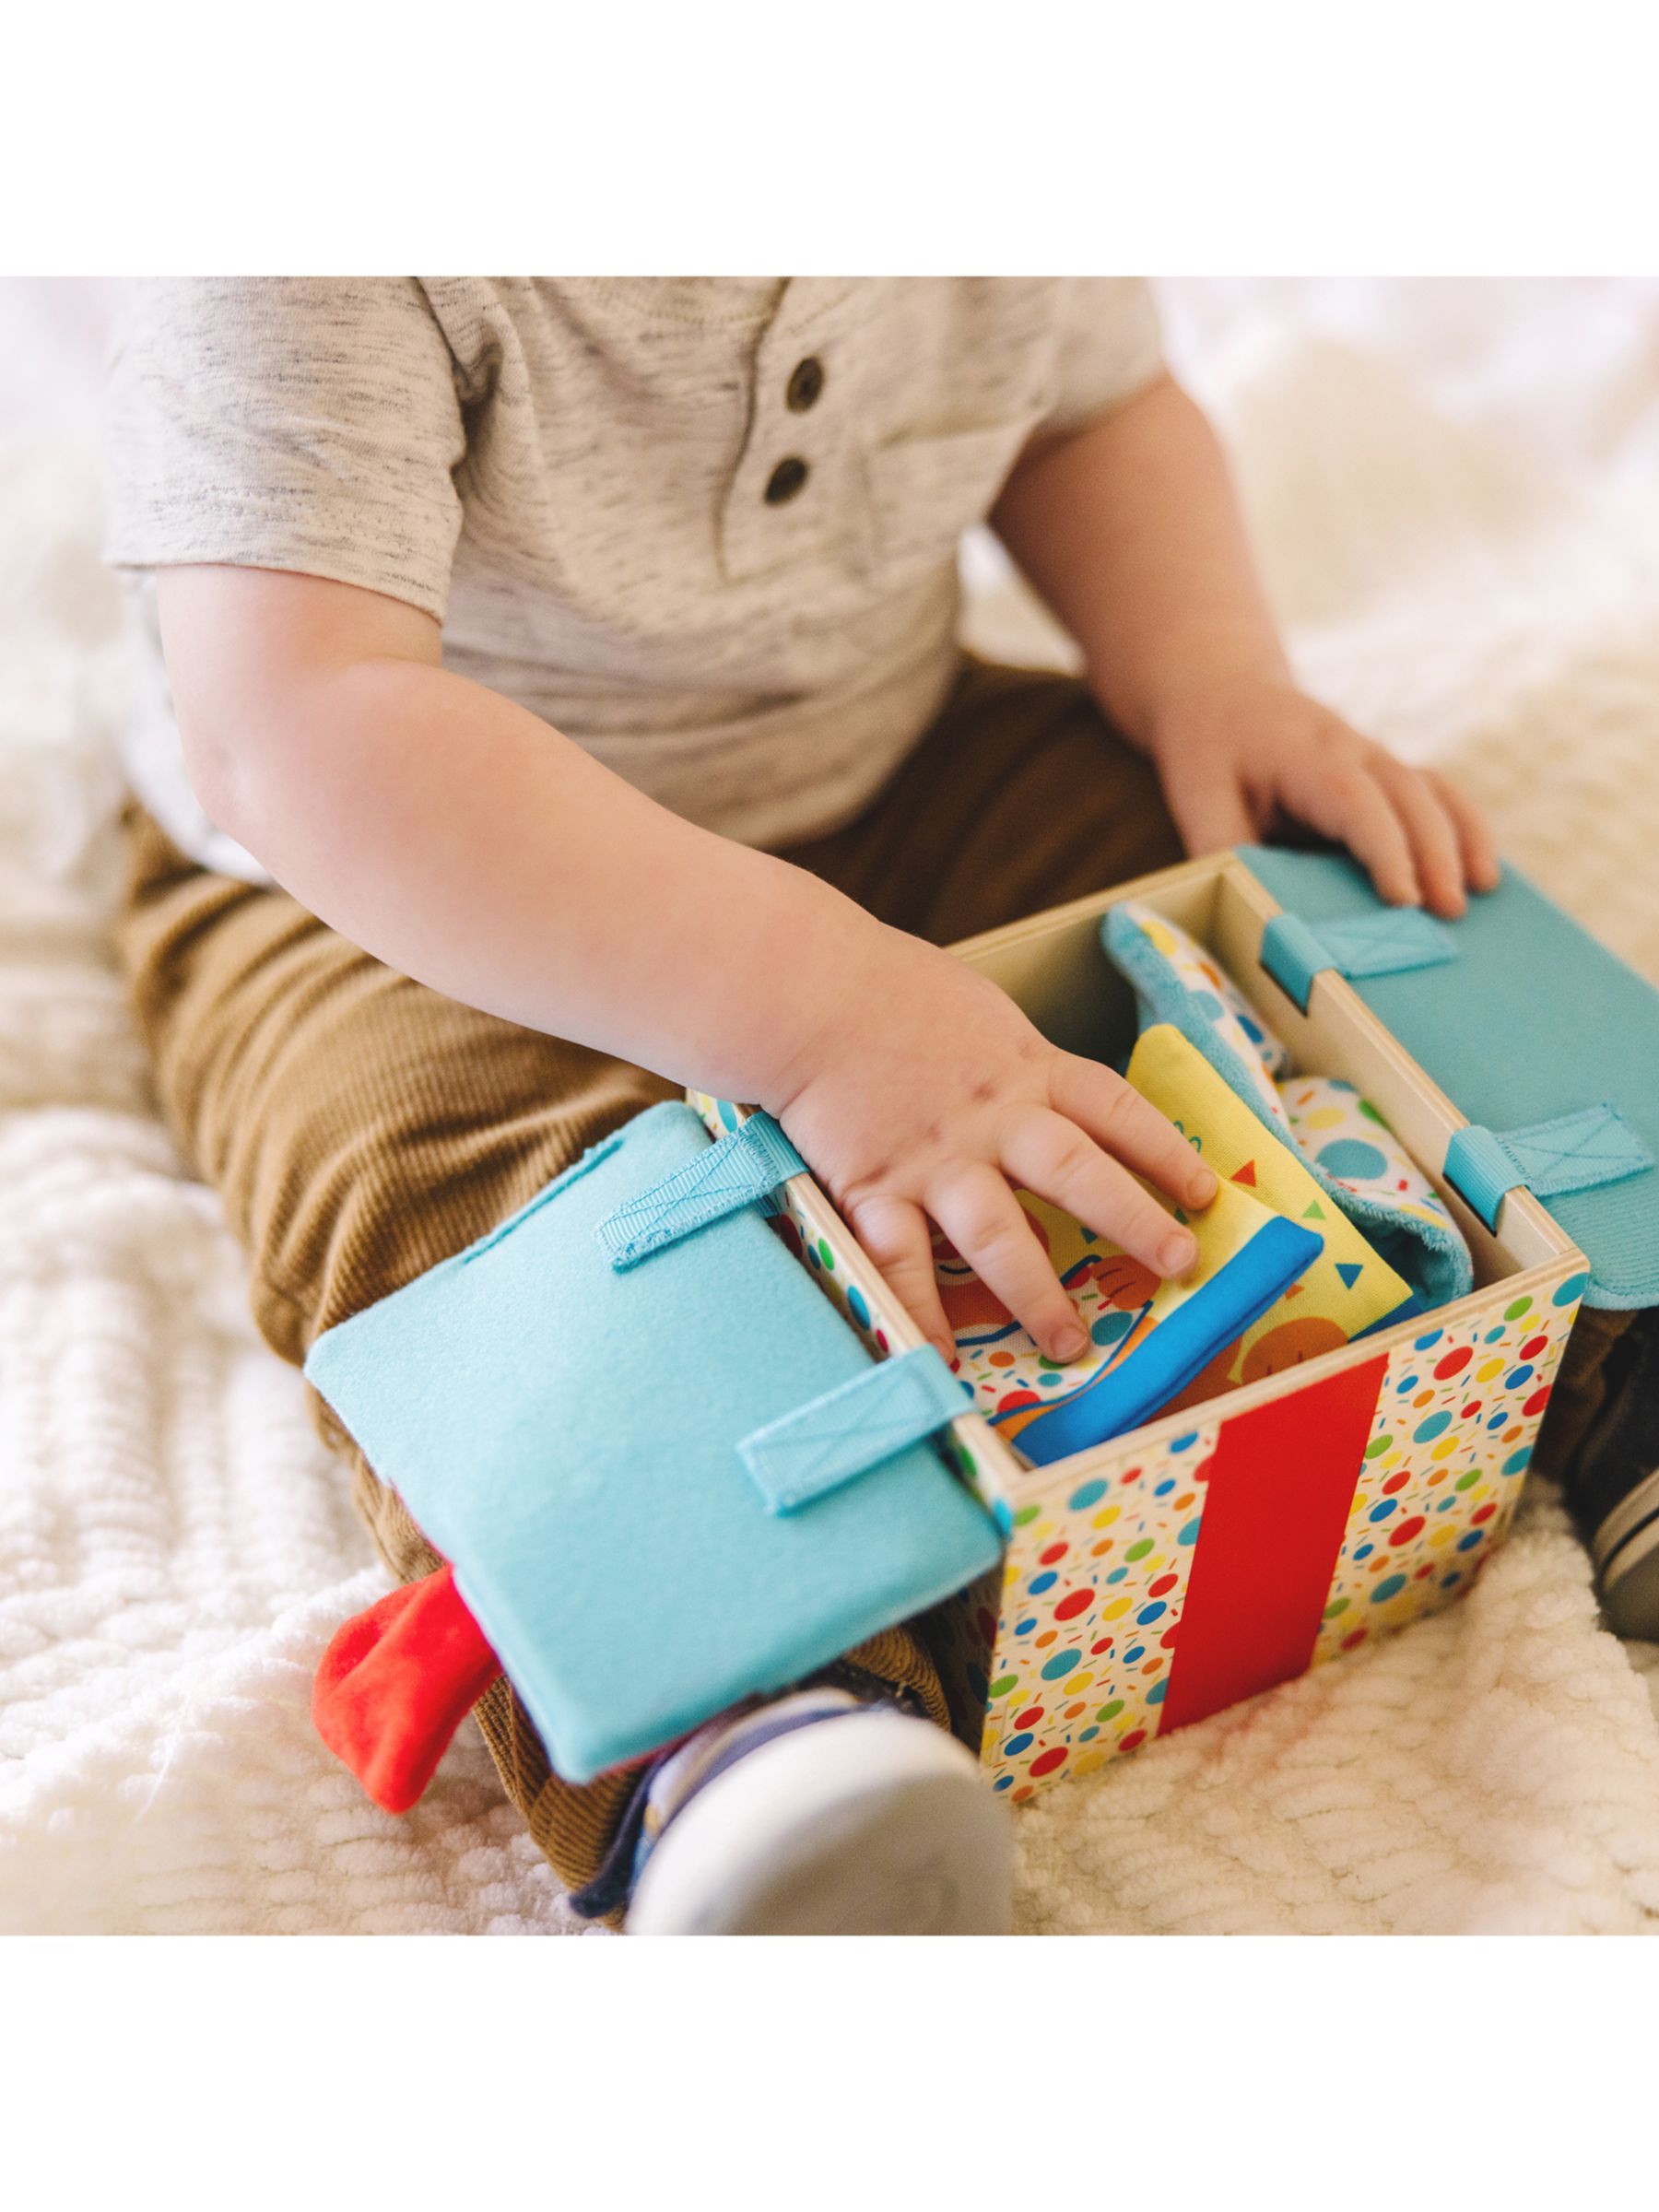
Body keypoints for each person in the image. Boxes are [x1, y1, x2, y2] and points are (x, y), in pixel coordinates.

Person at [105, 277, 1498, 1933]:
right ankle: (741, 1711)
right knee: (476, 1201)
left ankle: (1603, 1337)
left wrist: (1206, 666)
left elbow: (1088, 412)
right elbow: (300, 718)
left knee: (1294, 928)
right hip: (392, 879)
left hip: (889, 756)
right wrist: (829, 1013)